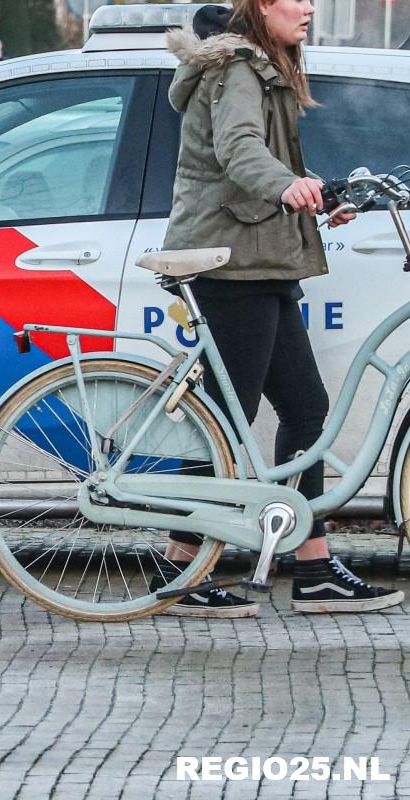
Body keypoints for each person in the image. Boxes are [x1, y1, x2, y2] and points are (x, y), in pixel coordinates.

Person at [150, 1, 403, 617]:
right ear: (263, 5)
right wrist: (286, 186)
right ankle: (179, 562)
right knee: (224, 418)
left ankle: (311, 563)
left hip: (260, 255)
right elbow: (239, 152)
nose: (311, 7)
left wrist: (313, 192)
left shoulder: (268, 63)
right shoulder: (237, 66)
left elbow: (268, 160)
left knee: (304, 407)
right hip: (229, 261)